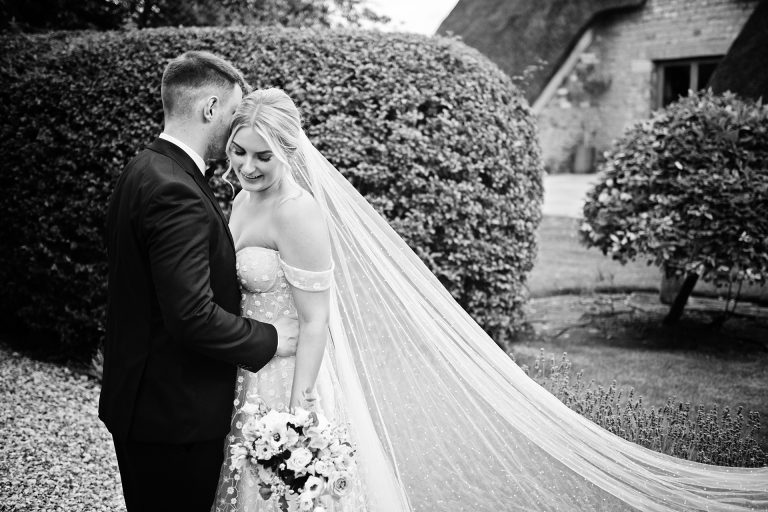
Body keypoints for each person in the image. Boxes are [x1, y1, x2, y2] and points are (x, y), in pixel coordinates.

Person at [213, 87, 768, 512]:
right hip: (248, 366)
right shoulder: (242, 199)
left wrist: (299, 409)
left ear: (289, 150)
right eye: (239, 151)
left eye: (263, 155)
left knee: (285, 492)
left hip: (288, 379)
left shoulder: (298, 212)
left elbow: (316, 322)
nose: (247, 166)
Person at [101, 52, 299, 512]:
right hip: (174, 418)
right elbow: (191, 315)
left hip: (142, 402)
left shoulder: (144, 169)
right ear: (210, 108)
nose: (235, 128)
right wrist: (270, 337)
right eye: (233, 113)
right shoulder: (176, 191)